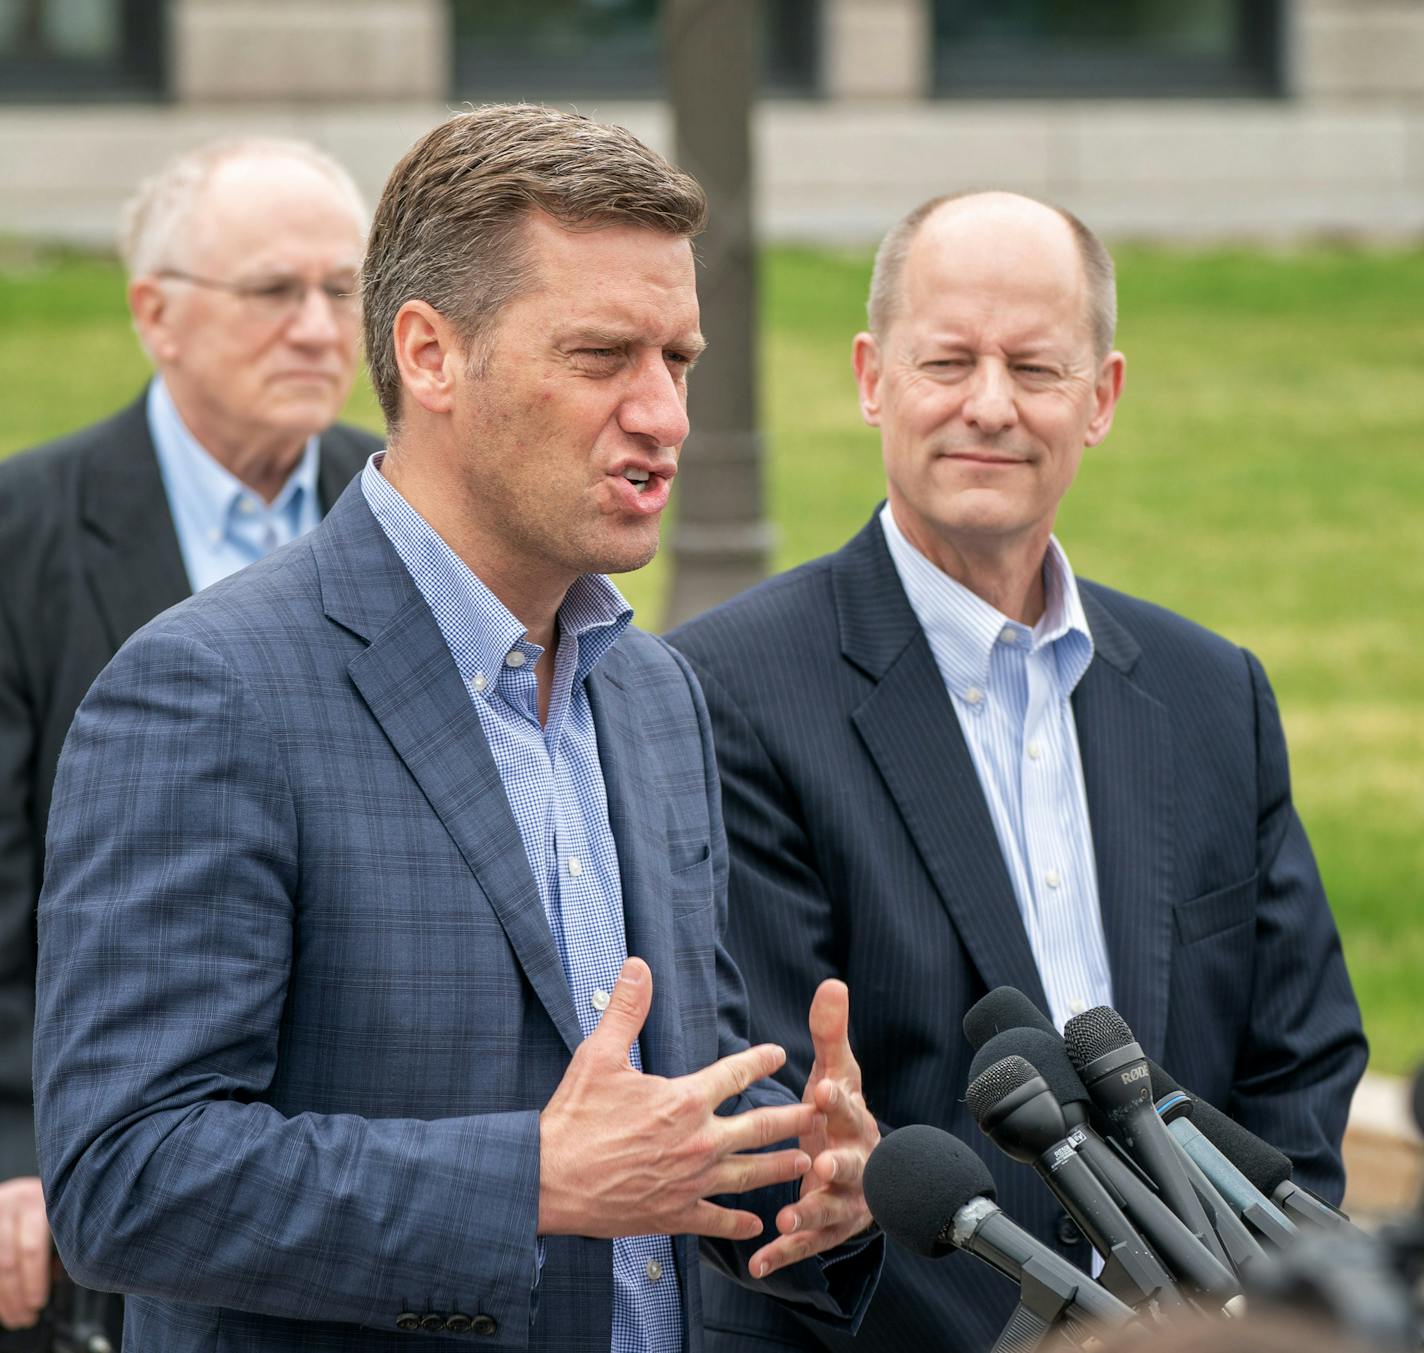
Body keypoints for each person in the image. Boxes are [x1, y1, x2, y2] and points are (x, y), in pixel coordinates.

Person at [32, 106, 882, 1353]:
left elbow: (655, 1160)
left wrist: (797, 1186)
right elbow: (125, 1179)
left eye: (679, 361)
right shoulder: (211, 689)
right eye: (602, 356)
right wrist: (530, 1182)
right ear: (428, 355)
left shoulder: (654, 699)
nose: (663, 417)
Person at [667, 190, 1367, 1351]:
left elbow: (1297, 1063)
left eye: (1033, 368)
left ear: (1100, 399)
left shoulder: (1210, 694)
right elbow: (782, 1121)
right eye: (945, 359)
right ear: (868, 377)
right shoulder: (724, 694)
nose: (986, 405)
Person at [0, 137, 378, 1345]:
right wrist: (20, 1144)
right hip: (104, 1132)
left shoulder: (405, 510)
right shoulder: (26, 535)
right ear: (155, 314)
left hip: (364, 1150)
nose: (320, 329)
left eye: (342, 288)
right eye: (275, 292)